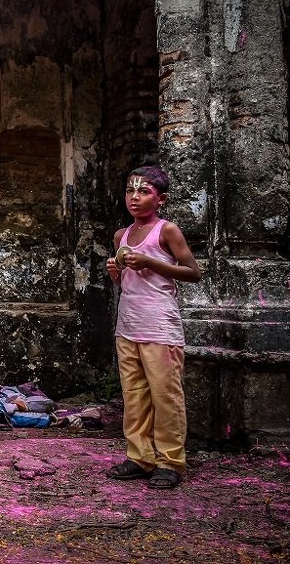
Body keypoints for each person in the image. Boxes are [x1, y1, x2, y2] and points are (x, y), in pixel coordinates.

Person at [105, 165, 201, 489]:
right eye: (130, 191)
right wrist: (115, 271)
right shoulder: (122, 236)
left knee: (166, 396)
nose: (134, 197)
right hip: (128, 323)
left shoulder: (167, 231)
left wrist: (151, 262)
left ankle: (169, 461)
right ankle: (140, 457)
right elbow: (125, 283)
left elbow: (193, 271)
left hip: (160, 325)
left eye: (144, 191)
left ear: (161, 199)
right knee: (134, 395)